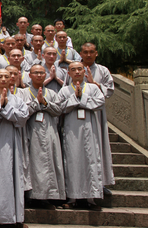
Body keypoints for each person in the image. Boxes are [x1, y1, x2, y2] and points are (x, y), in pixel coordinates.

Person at [0, 69, 29, 228]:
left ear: (12, 79)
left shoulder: (18, 99)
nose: (3, 79)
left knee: (14, 176)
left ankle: (15, 217)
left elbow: (22, 120)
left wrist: (5, 107)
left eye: (7, 77)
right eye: (0, 76)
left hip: (14, 141)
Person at [59, 62, 106, 211]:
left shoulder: (92, 88)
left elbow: (100, 102)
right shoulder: (65, 90)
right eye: (73, 70)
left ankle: (91, 198)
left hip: (90, 129)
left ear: (84, 71)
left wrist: (82, 97)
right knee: (73, 161)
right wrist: (75, 98)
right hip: (72, 130)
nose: (77, 72)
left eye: (79, 69)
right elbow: (60, 107)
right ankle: (73, 197)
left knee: (91, 159)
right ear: (69, 73)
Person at [18, 65, 65, 209]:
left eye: (41, 73)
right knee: (32, 163)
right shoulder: (22, 93)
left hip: (49, 130)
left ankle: (47, 196)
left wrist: (45, 102)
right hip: (30, 131)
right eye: (35, 73)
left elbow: (59, 110)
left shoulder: (51, 93)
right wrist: (35, 103)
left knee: (49, 162)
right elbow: (21, 111)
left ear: (46, 75)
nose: (39, 75)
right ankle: (31, 195)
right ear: (29, 76)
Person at [80, 42, 115, 192]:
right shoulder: (75, 69)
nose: (88, 55)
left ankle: (101, 182)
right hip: (78, 115)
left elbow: (110, 89)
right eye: (85, 52)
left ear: (96, 53)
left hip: (96, 114)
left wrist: (95, 85)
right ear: (80, 54)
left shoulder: (102, 70)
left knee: (99, 146)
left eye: (91, 52)